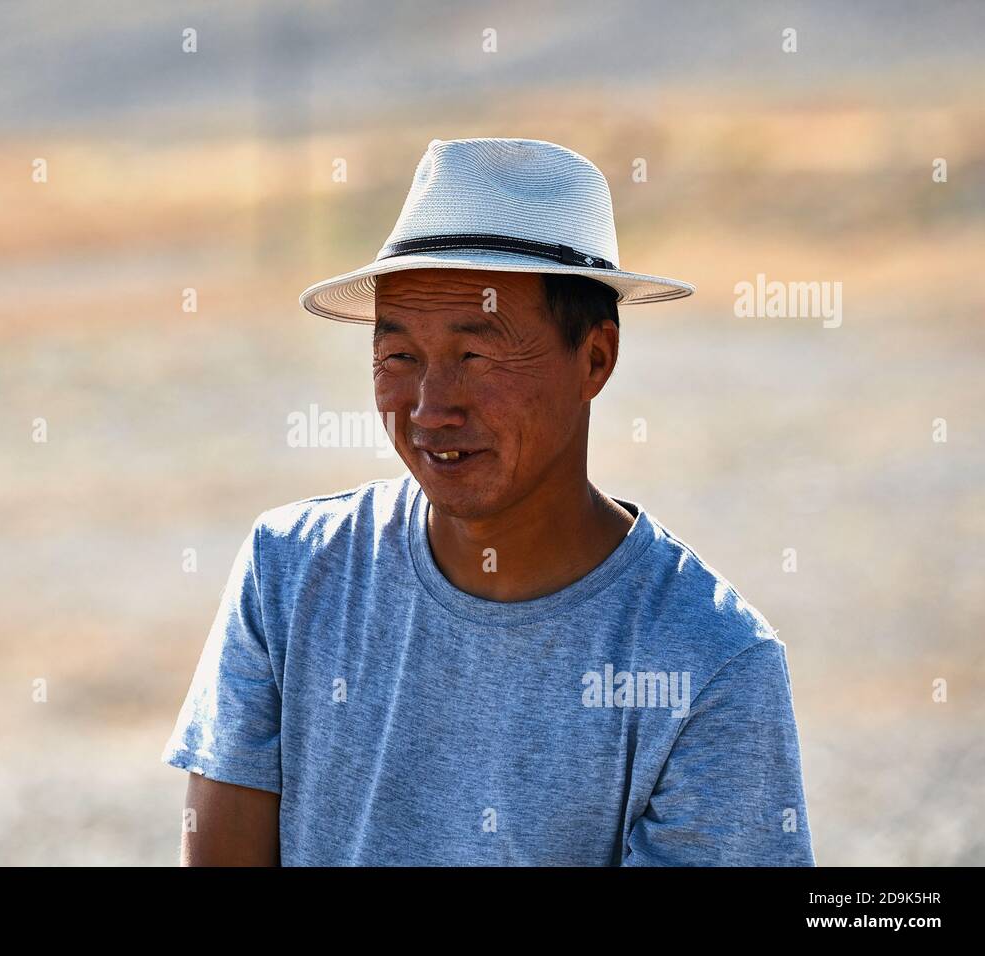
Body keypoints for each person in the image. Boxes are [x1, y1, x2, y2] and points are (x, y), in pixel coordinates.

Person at [161, 138, 815, 866]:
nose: (431, 407)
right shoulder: (291, 573)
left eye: (477, 356)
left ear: (595, 359)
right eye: (399, 356)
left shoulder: (710, 663)